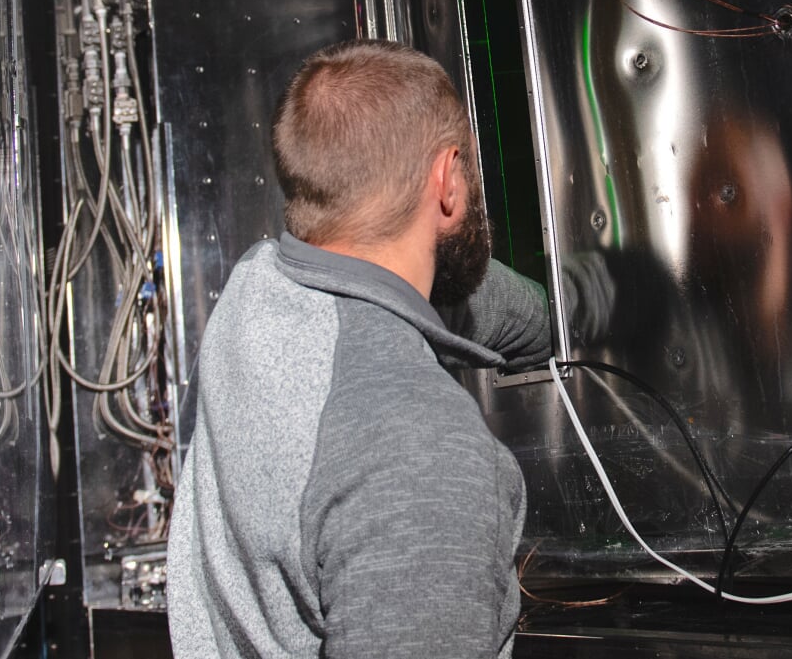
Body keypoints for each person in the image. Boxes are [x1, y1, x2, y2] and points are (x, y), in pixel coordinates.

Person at [167, 39, 553, 658]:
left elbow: (431, 299)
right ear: (448, 180)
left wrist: (567, 307)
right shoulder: (419, 450)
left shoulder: (254, 292)